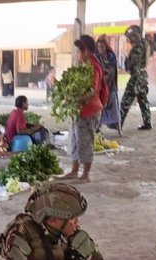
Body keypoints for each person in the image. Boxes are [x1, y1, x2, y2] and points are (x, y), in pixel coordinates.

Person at [63, 36, 104, 183]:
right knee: (75, 140)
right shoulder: (83, 66)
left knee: (85, 142)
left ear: (86, 51)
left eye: (78, 52)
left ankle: (86, 174)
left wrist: (76, 99)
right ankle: (74, 171)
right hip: (79, 111)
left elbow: (93, 90)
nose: (77, 54)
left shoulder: (93, 66)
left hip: (89, 110)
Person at [120, 25, 152, 131]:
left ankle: (118, 123)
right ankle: (147, 122)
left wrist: (126, 61)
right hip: (143, 76)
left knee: (125, 101)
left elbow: (132, 64)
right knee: (143, 100)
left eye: (130, 37)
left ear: (134, 36)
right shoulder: (145, 44)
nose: (129, 39)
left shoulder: (137, 47)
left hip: (136, 77)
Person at [96, 36, 120, 130]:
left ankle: (117, 126)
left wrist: (105, 78)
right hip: (101, 86)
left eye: (102, 47)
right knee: (100, 108)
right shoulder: (97, 57)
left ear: (106, 47)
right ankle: (98, 128)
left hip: (110, 85)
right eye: (99, 47)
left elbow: (111, 71)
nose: (100, 49)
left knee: (113, 107)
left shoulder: (111, 56)